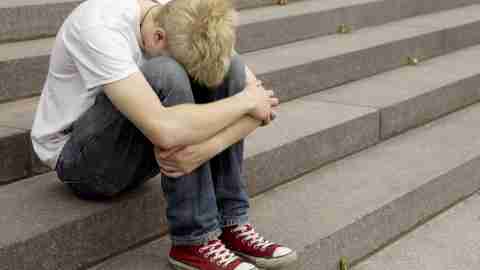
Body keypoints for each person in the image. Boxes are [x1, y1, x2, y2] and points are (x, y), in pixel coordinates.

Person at [31, 0, 297, 269]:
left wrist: (206, 149)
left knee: (231, 68)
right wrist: (243, 103)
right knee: (166, 72)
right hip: (84, 163)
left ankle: (231, 223)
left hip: (148, 146)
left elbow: (262, 104)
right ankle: (193, 241)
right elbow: (165, 130)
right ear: (158, 36)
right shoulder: (99, 27)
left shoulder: (182, 12)